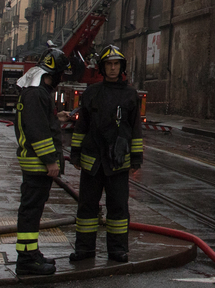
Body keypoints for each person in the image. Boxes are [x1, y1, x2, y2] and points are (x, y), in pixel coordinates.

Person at [69, 44, 143, 263]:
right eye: (109, 64)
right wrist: (75, 153)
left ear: (121, 67)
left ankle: (118, 250)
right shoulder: (92, 92)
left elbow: (135, 128)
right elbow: (82, 125)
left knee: (118, 208)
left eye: (116, 64)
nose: (112, 68)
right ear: (102, 68)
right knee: (87, 208)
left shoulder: (130, 95)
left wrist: (136, 158)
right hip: (92, 162)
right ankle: (84, 250)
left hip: (118, 162)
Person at [14, 49, 66, 276]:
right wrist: (50, 161)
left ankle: (32, 253)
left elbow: (41, 121)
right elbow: (37, 131)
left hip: (37, 164)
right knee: (31, 212)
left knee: (33, 211)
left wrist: (56, 118)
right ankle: (26, 260)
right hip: (37, 164)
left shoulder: (37, 92)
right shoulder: (37, 94)